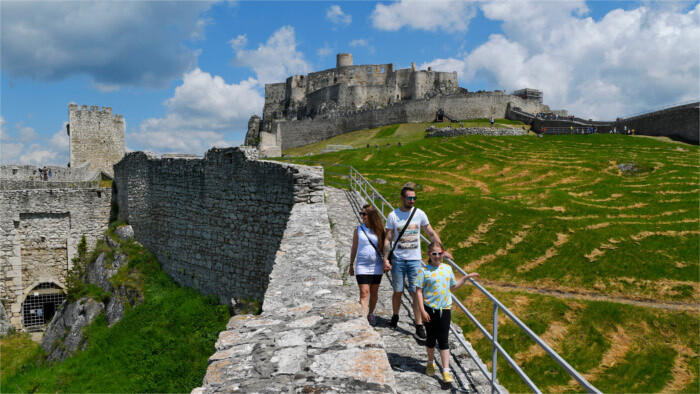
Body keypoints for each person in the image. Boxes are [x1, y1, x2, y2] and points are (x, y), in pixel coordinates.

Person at [383, 186, 452, 339]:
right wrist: (385, 259)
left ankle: (419, 324)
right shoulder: (393, 215)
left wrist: (442, 250)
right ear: (402, 198)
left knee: (416, 292)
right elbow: (388, 239)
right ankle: (395, 316)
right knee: (398, 290)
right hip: (399, 259)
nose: (412, 200)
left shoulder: (419, 214)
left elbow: (431, 232)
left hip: (415, 259)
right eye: (409, 198)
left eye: (414, 198)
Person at [416, 241, 480, 383]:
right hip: (429, 310)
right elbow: (418, 291)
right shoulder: (424, 271)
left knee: (444, 339)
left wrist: (465, 277)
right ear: (429, 254)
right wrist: (421, 310)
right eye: (434, 254)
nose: (437, 256)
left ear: (443, 254)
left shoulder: (447, 269)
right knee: (431, 338)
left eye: (440, 253)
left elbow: (453, 287)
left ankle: (446, 371)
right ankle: (430, 362)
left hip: (445, 309)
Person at [349, 204, 386, 326]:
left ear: (371, 215)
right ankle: (364, 320)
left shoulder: (380, 230)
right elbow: (354, 248)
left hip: (377, 265)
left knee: (374, 292)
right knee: (364, 292)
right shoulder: (358, 230)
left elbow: (385, 248)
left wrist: (386, 261)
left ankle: (371, 313)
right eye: (361, 214)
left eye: (365, 214)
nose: (362, 216)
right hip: (362, 265)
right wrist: (351, 264)